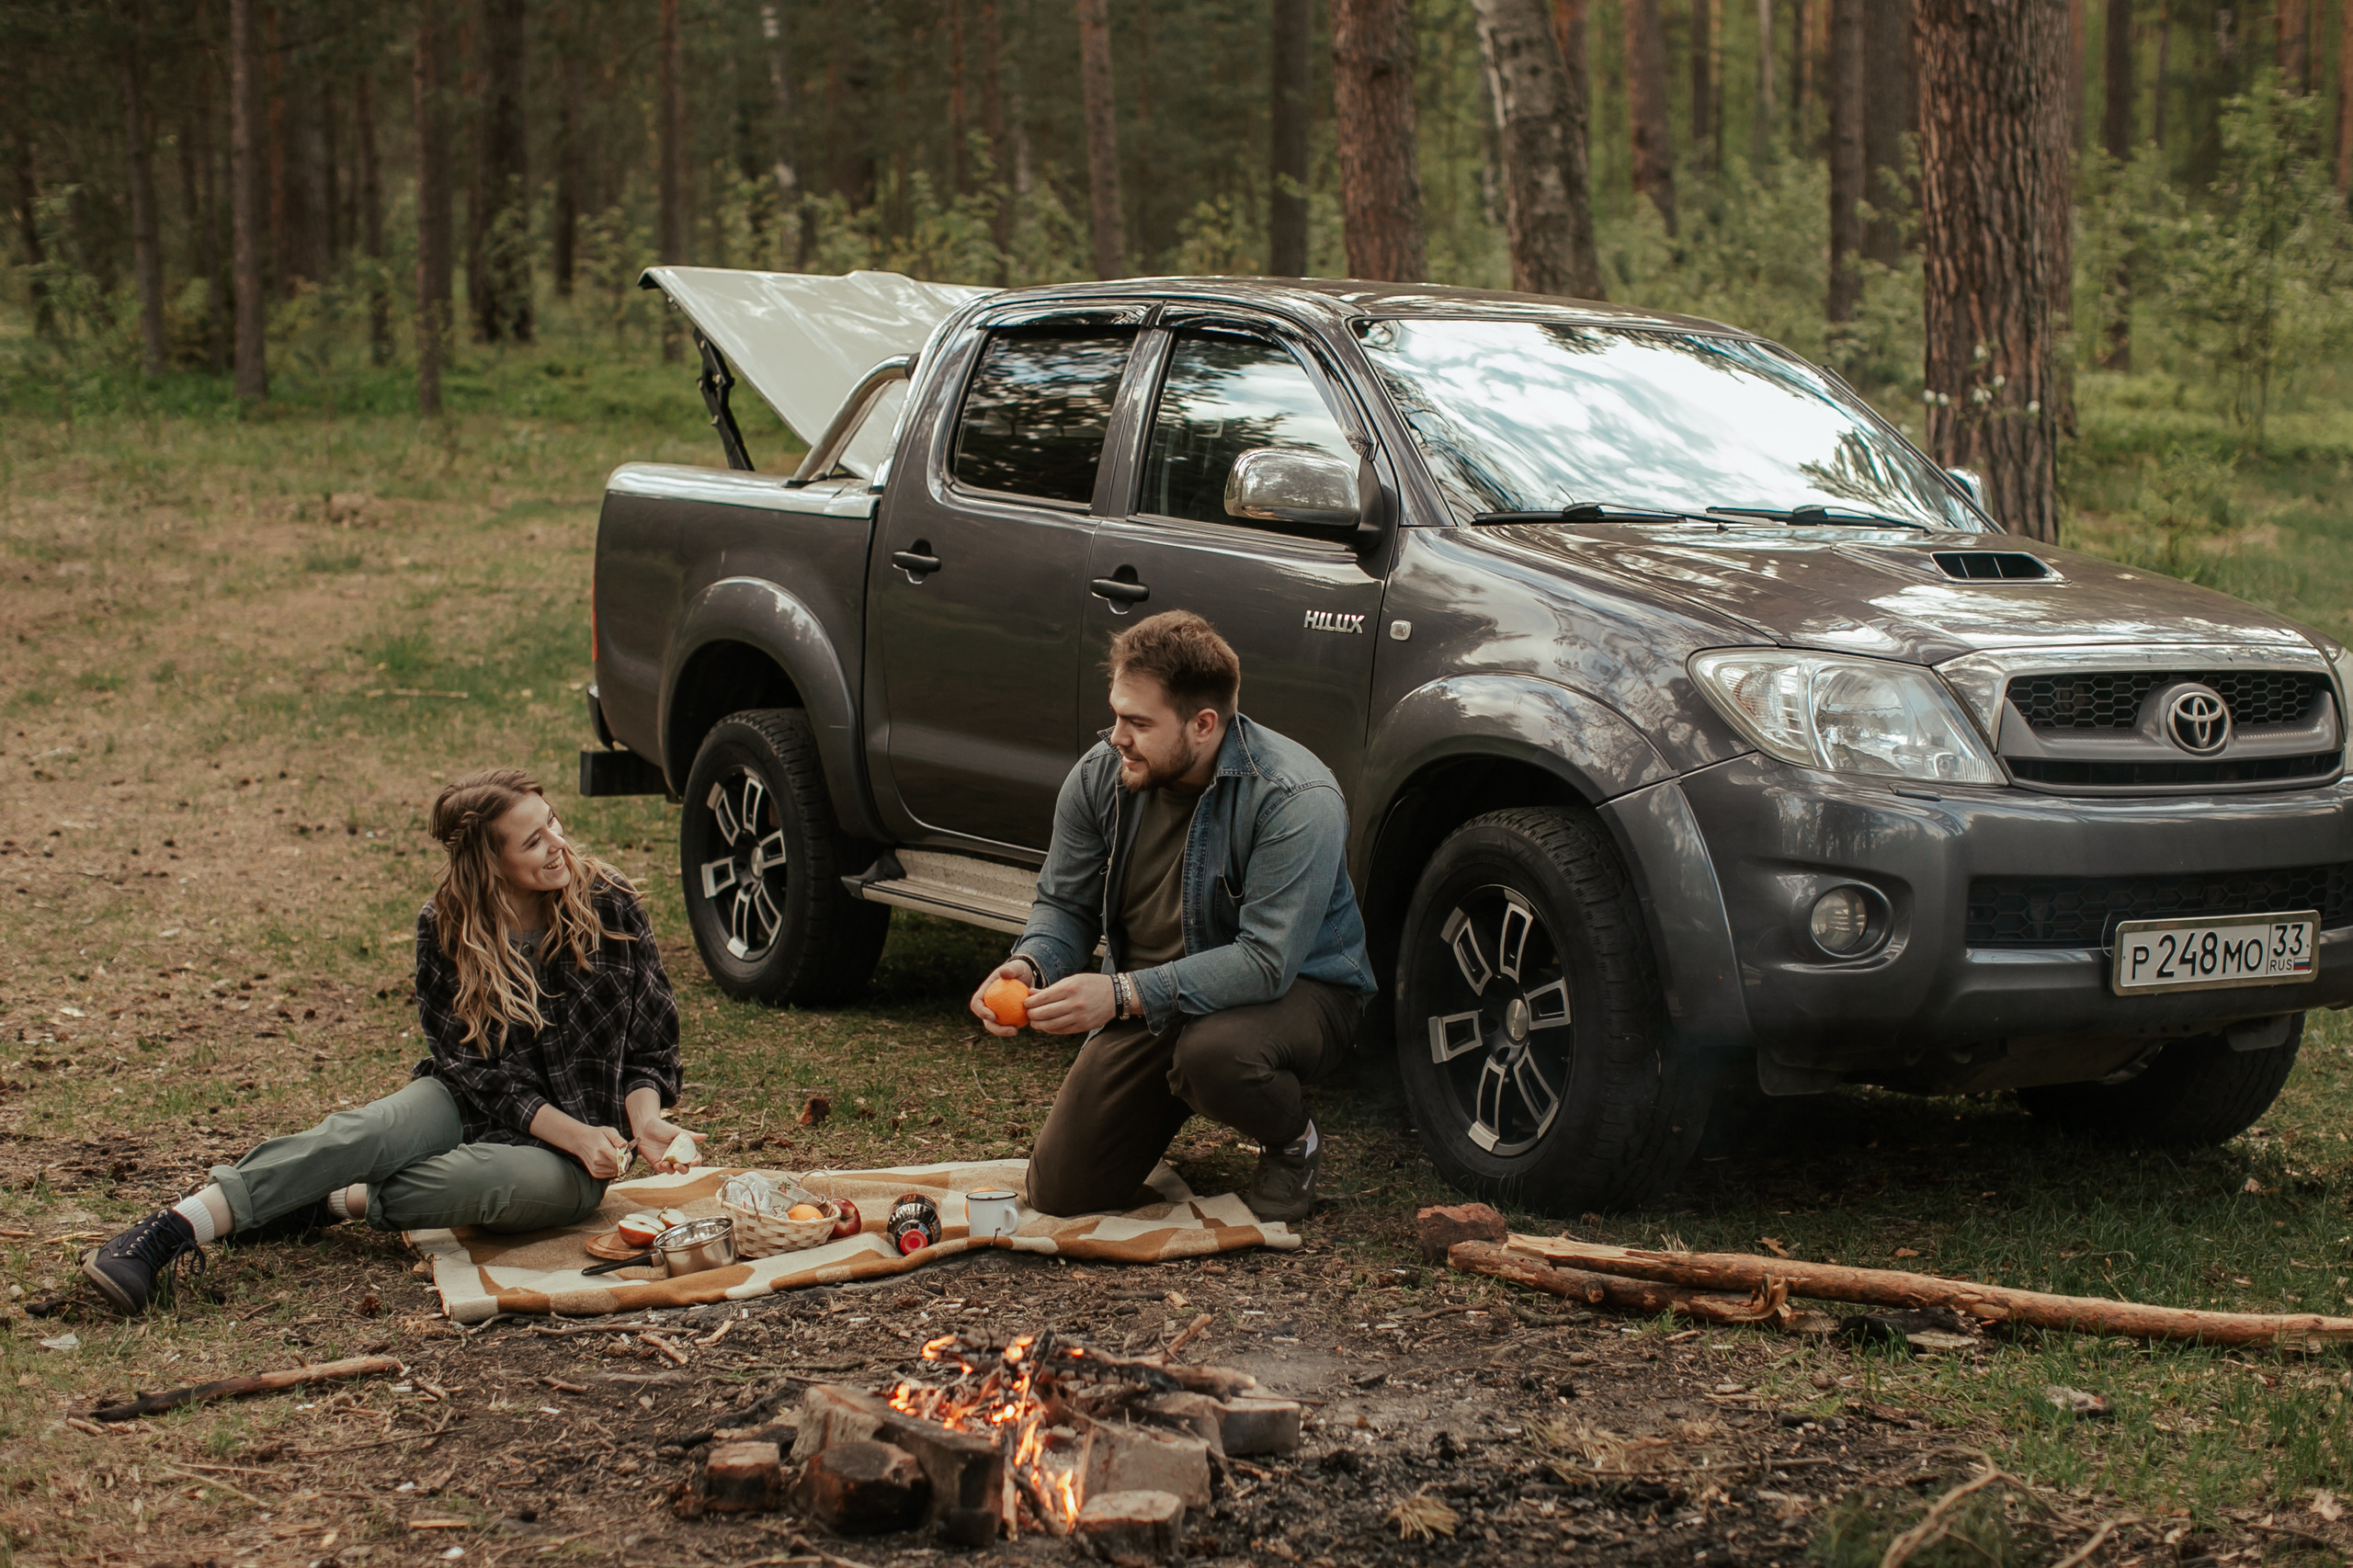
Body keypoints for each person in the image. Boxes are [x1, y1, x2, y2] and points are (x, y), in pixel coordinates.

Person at [82, 767, 694, 1314]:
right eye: (533, 841)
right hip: (471, 1098)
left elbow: (652, 1041)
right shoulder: (448, 924)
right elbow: (471, 1066)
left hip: (571, 1157)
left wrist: (642, 1122)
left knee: (512, 1190)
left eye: (554, 823)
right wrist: (573, 1132)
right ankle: (168, 1231)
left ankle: (320, 1201)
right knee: (366, 1134)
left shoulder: (609, 901)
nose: (559, 844)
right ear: (490, 862)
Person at [970, 611, 1374, 1222]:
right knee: (1063, 1196)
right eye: (1116, 715)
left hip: (1298, 992)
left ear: (1204, 725)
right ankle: (1175, 1092)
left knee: (1215, 1056)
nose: (1116, 737)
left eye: (1138, 723)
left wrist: (1121, 993)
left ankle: (1294, 1144)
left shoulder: (1295, 798)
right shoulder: (1099, 775)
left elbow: (1266, 963)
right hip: (1155, 1001)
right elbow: (1063, 907)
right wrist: (1029, 963)